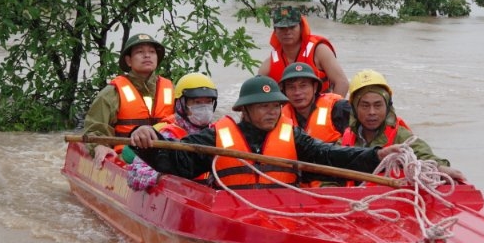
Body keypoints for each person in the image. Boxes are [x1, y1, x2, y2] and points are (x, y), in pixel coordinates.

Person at [129, 75, 406, 189]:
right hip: (232, 218)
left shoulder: (292, 137)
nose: (272, 112)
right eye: (263, 107)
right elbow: (176, 163)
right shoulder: (216, 136)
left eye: (275, 106)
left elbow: (330, 155)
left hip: (282, 215)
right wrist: (146, 143)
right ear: (245, 111)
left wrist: (376, 155)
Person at [340, 69, 465, 181]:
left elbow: (425, 156)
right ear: (355, 109)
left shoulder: (403, 138)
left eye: (378, 105)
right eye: (365, 106)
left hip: (392, 201)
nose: (372, 112)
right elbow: (330, 178)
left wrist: (439, 168)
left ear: (388, 107)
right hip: (355, 203)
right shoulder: (343, 142)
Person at [83, 33, 174, 168]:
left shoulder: (171, 88)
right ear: (128, 61)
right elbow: (95, 129)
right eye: (140, 52)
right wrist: (99, 146)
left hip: (164, 156)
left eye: (152, 52)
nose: (147, 55)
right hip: (127, 157)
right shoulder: (112, 92)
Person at [127, 73, 218, 191]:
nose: (204, 108)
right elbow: (135, 174)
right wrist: (163, 178)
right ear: (181, 105)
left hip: (211, 198)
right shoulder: (167, 135)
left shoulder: (217, 134)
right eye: (197, 102)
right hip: (182, 196)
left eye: (208, 102)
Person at [258, 6, 349, 97]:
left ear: (301, 27)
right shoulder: (267, 66)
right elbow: (257, 95)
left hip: (321, 107)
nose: (287, 32)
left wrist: (333, 108)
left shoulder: (319, 51)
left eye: (292, 27)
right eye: (282, 28)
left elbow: (342, 82)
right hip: (288, 109)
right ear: (275, 31)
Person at [279, 62, 350, 143]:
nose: (297, 92)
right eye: (291, 87)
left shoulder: (339, 108)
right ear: (284, 91)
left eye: (303, 86)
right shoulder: (278, 117)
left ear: (315, 87)